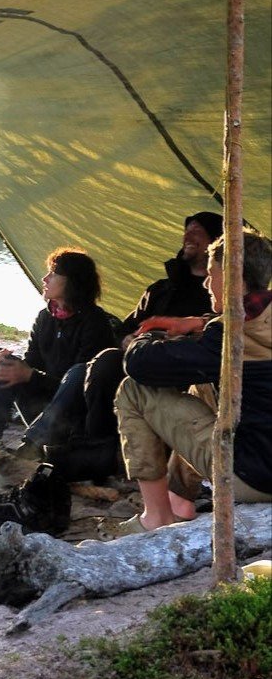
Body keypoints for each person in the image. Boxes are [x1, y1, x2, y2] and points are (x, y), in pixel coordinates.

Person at [110, 228, 271, 535]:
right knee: (205, 387)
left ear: (235, 277)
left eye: (213, 274)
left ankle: (156, 517)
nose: (208, 283)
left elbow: (140, 367)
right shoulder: (254, 318)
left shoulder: (227, 335)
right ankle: (180, 499)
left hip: (254, 476)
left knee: (133, 391)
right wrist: (199, 322)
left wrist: (137, 342)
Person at [50, 210, 226, 482]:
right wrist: (127, 340)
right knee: (107, 361)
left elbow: (218, 337)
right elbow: (123, 327)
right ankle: (98, 448)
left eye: (197, 232)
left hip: (185, 372)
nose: (187, 236)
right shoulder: (160, 290)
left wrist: (178, 341)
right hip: (140, 359)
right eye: (186, 231)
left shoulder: (221, 298)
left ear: (215, 242)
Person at [0, 248, 116, 466]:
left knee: (78, 373)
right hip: (45, 413)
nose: (45, 279)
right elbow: (33, 363)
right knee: (8, 364)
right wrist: (12, 365)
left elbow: (80, 389)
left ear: (73, 281)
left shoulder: (96, 322)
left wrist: (29, 375)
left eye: (53, 273)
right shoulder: (45, 317)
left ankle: (32, 447)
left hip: (76, 420)